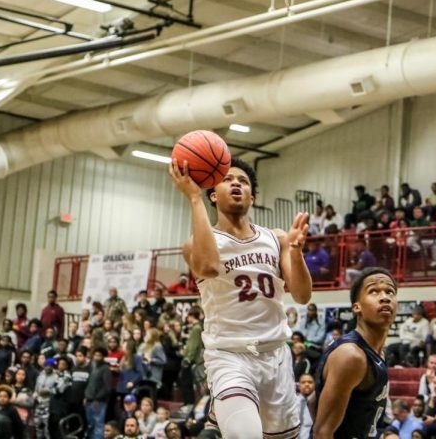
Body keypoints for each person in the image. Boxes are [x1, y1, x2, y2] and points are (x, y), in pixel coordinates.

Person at [169, 157, 312, 439]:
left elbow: (302, 295)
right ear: (213, 193)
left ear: (253, 197)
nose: (236, 183)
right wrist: (194, 198)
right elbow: (208, 267)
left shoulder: (276, 238)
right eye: (227, 179)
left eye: (243, 181)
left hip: (275, 356)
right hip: (229, 355)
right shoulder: (195, 244)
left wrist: (295, 252)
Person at [312, 268, 397, 439]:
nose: (385, 297)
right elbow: (323, 431)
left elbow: (312, 400)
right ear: (357, 307)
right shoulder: (351, 356)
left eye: (390, 292)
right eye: (374, 291)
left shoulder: (377, 352)